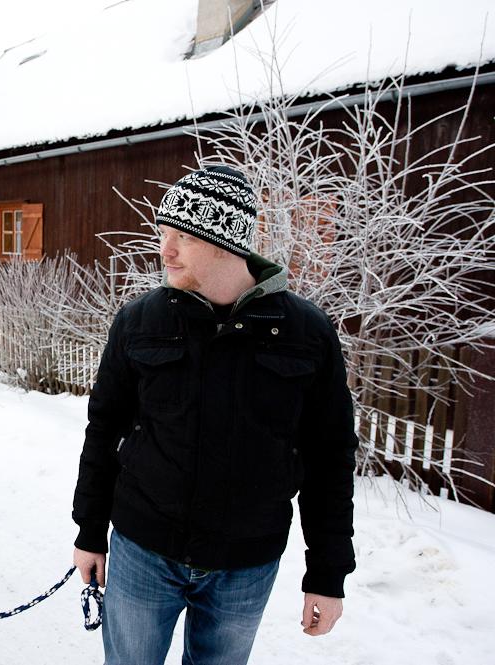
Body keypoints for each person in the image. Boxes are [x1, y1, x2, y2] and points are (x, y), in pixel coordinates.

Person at [72, 165, 357, 664]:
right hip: (143, 550)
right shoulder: (141, 321)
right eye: (164, 234)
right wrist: (90, 531)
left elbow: (330, 458)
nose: (165, 250)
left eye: (181, 236)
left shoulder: (306, 334)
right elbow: (103, 431)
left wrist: (327, 575)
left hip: (244, 567)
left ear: (226, 241)